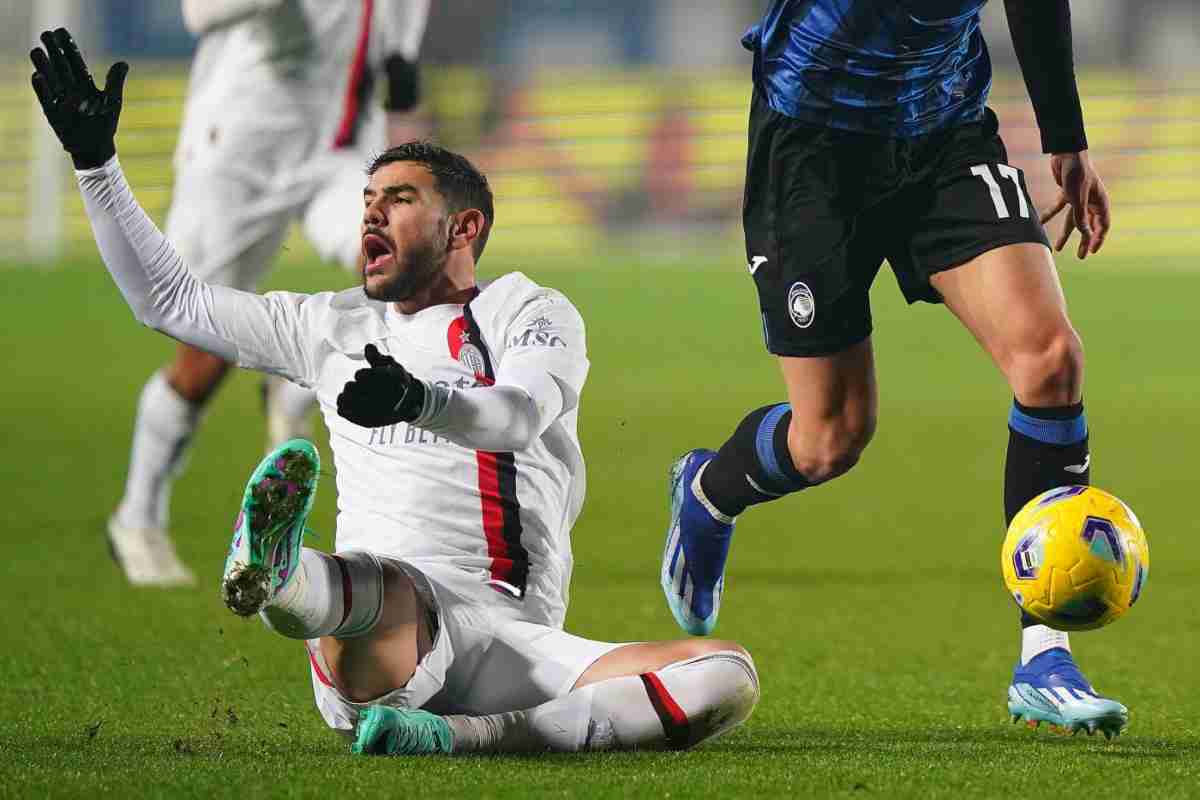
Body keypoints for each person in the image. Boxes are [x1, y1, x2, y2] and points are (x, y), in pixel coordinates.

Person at [30, 29, 760, 754]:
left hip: (521, 644)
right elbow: (173, 302)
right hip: (383, 634)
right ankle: (281, 578)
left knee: (725, 677)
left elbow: (517, 415)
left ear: (462, 227)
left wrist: (421, 402)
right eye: (368, 199)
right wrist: (96, 167)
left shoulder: (527, 310)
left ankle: (453, 734)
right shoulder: (328, 326)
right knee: (378, 589)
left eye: (399, 199)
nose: (371, 214)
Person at [660, 1, 1121, 737]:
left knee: (1051, 360)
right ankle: (711, 488)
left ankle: (1044, 654)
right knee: (831, 439)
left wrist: (1067, 139)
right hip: (811, 139)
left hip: (945, 130)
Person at [107, 0, 431, 586]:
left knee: (405, 263)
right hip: (241, 154)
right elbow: (198, 13)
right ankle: (137, 517)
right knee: (202, 350)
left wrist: (402, 48)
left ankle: (301, 385)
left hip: (338, 149)